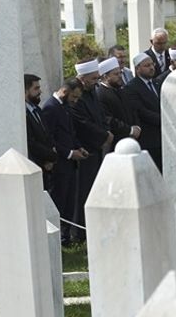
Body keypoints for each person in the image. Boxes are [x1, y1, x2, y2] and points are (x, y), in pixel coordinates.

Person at [70, 59, 114, 240]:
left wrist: (106, 132)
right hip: (85, 148)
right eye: (93, 78)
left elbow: (100, 115)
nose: (96, 81)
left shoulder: (91, 91)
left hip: (97, 147)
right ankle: (80, 232)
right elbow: (81, 122)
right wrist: (103, 136)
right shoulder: (76, 94)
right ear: (82, 78)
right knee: (84, 192)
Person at [43, 78, 89, 245]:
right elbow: (50, 138)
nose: (75, 101)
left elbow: (69, 133)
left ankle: (66, 237)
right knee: (59, 201)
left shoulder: (65, 107)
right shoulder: (50, 108)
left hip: (70, 164)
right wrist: (70, 153)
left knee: (69, 201)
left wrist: (79, 147)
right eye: (74, 97)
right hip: (59, 164)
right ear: (64, 92)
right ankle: (59, 239)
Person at [124, 52, 164, 172]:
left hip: (162, 137)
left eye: (152, 64)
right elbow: (141, 111)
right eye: (147, 65)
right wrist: (164, 120)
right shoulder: (131, 87)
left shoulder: (157, 83)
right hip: (148, 138)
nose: (151, 68)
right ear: (137, 69)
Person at [95, 57, 141, 149]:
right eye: (116, 74)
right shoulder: (101, 94)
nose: (120, 76)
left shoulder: (121, 90)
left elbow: (132, 110)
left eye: (120, 73)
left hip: (131, 139)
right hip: (115, 143)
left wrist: (137, 127)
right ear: (105, 76)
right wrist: (130, 130)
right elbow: (108, 119)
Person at [25, 74, 57, 186]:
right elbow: (30, 142)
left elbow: (47, 134)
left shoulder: (37, 110)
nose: (40, 92)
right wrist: (48, 157)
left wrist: (51, 158)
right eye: (36, 88)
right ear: (25, 91)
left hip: (47, 168)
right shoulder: (23, 114)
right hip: (36, 165)